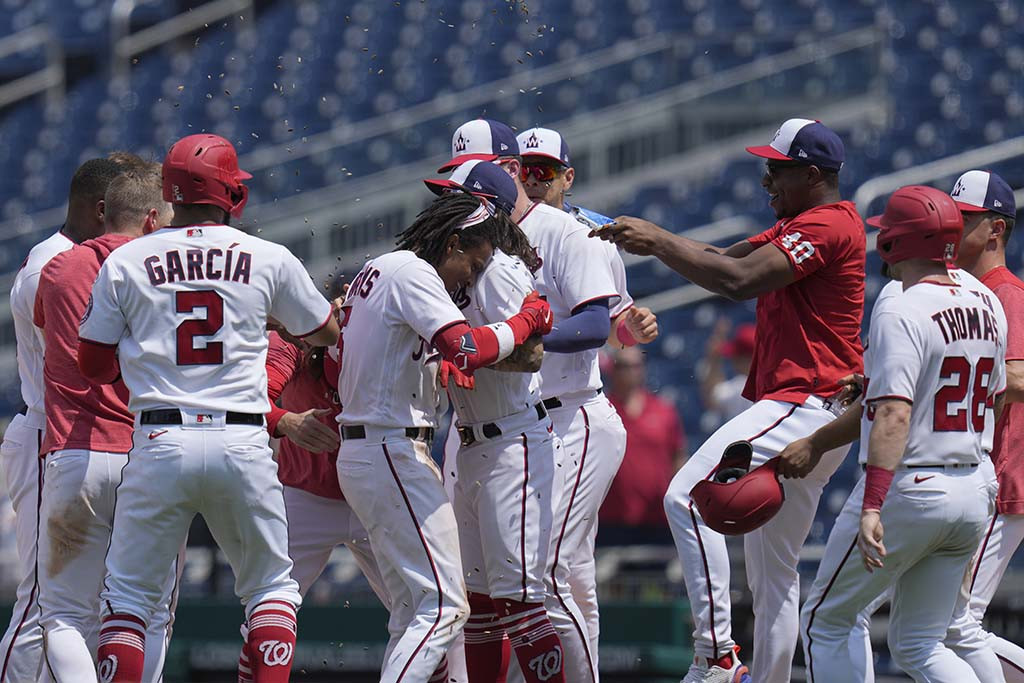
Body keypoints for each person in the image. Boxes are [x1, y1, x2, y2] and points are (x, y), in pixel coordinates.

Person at [593, 118, 865, 683]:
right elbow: (723, 256)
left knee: (688, 497)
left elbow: (738, 281)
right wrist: (654, 239)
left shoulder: (828, 223)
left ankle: (716, 654)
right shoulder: (801, 222)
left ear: (812, 175)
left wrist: (657, 240)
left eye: (777, 169)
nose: (766, 180)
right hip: (814, 408)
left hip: (805, 400)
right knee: (775, 580)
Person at [78, 133, 340, 683]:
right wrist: (264, 317)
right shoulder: (267, 255)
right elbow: (325, 332)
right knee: (271, 592)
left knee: (129, 601)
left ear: (171, 193)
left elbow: (94, 365)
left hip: (159, 440)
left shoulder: (127, 258)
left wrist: (144, 352)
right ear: (231, 193)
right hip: (242, 439)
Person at [438, 120, 652, 681]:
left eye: (539, 170)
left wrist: (524, 335)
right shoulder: (461, 242)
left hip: (569, 412)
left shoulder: (566, 232)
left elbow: (599, 324)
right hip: (490, 424)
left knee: (548, 577)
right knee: (493, 586)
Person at [334, 192, 555, 682]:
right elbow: (467, 349)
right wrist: (527, 319)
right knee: (444, 607)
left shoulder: (377, 269)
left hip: (368, 447)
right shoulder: (415, 272)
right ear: (453, 243)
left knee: (412, 611)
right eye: (471, 265)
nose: (469, 279)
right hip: (390, 449)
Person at [798, 185, 1005, 682]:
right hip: (974, 482)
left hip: (912, 486)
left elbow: (893, 413)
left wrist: (872, 504)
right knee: (919, 643)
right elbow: (994, 397)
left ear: (895, 241)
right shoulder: (986, 299)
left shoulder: (901, 305)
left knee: (827, 620)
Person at [34, 166, 180, 681]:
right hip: (149, 452)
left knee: (64, 616)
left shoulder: (59, 267)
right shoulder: (168, 271)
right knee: (150, 614)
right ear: (150, 219)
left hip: (76, 452)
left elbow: (44, 327)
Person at [0, 155, 140, 682]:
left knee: (90, 608)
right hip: (51, 432)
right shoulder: (53, 264)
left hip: (80, 437)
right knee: (42, 604)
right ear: (102, 209)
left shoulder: (82, 258)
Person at [515, 125, 659, 352]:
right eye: (524, 172)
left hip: (568, 375)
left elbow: (613, 326)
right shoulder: (492, 231)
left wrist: (631, 330)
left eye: (544, 172)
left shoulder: (594, 233)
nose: (532, 180)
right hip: (504, 373)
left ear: (567, 178)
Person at [599, 347, 687, 544]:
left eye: (636, 365)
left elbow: (678, 457)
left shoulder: (664, 411)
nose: (630, 371)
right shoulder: (601, 412)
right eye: (623, 366)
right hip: (610, 519)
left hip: (658, 519)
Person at [700, 321, 756, 427]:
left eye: (736, 357)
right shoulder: (775, 384)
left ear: (747, 359)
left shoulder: (742, 387)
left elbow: (711, 397)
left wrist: (714, 360)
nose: (733, 360)